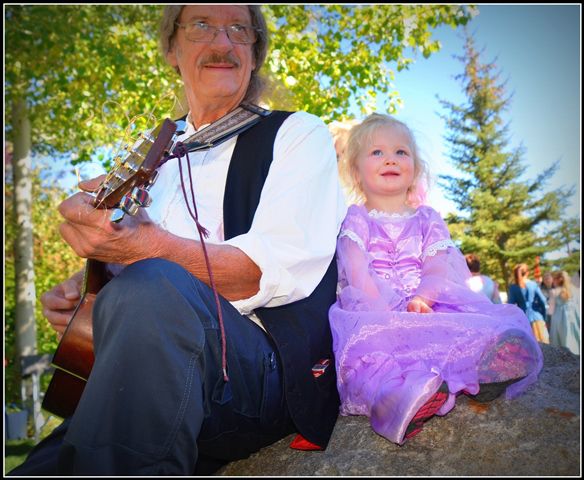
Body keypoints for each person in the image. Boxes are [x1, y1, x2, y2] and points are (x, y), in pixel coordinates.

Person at [11, 5, 347, 475]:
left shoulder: (295, 134)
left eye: (238, 30)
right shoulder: (156, 153)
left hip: (257, 375)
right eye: (202, 26)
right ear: (172, 48)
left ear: (255, 53)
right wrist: (90, 294)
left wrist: (146, 257)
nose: (222, 42)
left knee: (154, 285)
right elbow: (142, 262)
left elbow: (263, 271)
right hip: (145, 382)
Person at [328, 113, 543, 446]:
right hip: (374, 308)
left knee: (461, 326)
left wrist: (424, 298)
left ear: (415, 167)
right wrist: (386, 315)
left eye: (401, 152)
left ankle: (485, 366)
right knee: (369, 354)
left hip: (425, 303)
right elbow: (355, 268)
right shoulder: (357, 218)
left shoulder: (427, 218)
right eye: (377, 153)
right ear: (356, 171)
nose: (390, 159)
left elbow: (436, 267)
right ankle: (394, 399)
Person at [507, 263, 549, 344]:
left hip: (523, 320)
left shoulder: (513, 287)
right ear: (527, 272)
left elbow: (510, 305)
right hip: (537, 318)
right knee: (545, 346)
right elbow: (543, 301)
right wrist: (544, 317)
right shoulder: (533, 284)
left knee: (530, 348)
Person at [548, 271, 580, 355]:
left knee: (561, 339)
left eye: (554, 279)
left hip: (559, 319)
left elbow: (551, 310)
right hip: (574, 317)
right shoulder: (575, 290)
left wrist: (547, 321)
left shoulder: (554, 292)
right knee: (574, 336)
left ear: (557, 280)